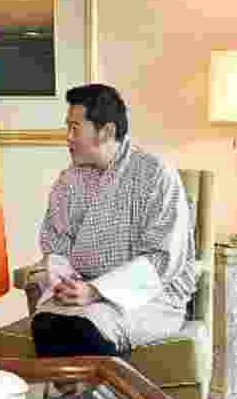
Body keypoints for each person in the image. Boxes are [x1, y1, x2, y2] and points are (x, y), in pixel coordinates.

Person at [30, 84, 198, 359]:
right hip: (81, 292)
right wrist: (68, 285)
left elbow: (162, 258)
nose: (68, 138)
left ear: (106, 131)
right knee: (47, 323)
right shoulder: (68, 181)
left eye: (75, 128)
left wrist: (96, 291)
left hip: (151, 296)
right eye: (67, 128)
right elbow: (56, 246)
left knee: (85, 328)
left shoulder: (156, 174)